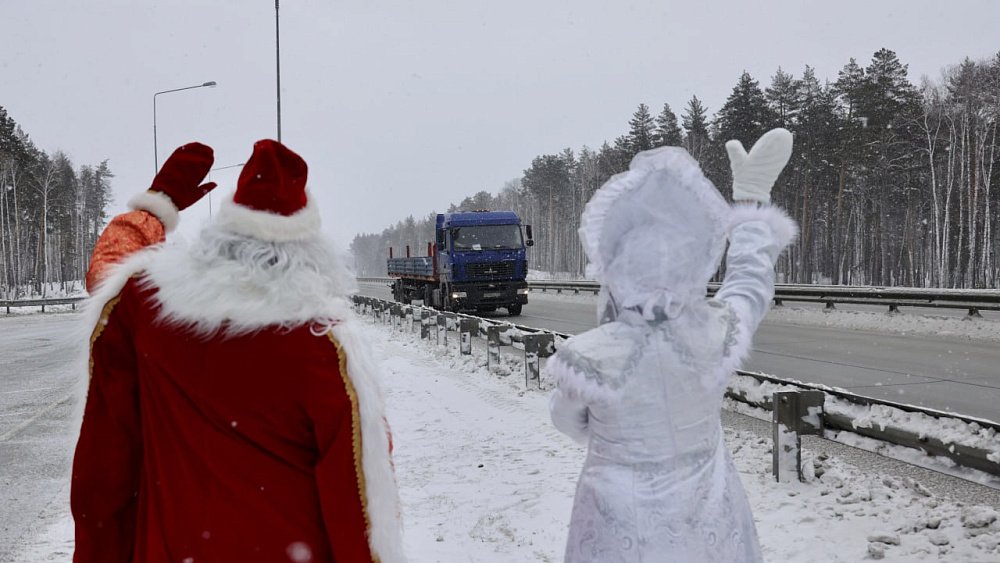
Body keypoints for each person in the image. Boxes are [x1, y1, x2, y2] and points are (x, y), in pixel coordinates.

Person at [73, 140, 405, 563]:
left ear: (221, 235)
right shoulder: (324, 351)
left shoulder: (148, 311)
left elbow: (109, 273)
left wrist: (155, 208)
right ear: (310, 249)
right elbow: (359, 506)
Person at [547, 129, 797, 562]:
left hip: (618, 523)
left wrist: (616, 436)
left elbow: (566, 420)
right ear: (693, 262)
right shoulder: (714, 333)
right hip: (707, 516)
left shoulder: (591, 355)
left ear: (616, 268)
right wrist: (752, 201)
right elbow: (749, 284)